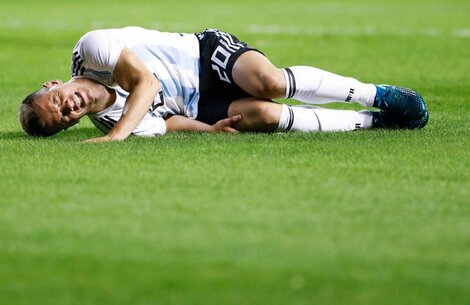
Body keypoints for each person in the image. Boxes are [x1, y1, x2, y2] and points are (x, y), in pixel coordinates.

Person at [19, 27, 429, 142]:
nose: (69, 107)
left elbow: (145, 80)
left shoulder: (90, 49)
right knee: (262, 115)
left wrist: (117, 138)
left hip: (202, 56)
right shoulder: (109, 121)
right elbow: (168, 125)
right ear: (72, 124)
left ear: (54, 83)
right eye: (65, 118)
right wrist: (208, 130)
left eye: (57, 100)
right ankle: (374, 123)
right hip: (196, 106)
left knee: (268, 82)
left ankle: (383, 95)